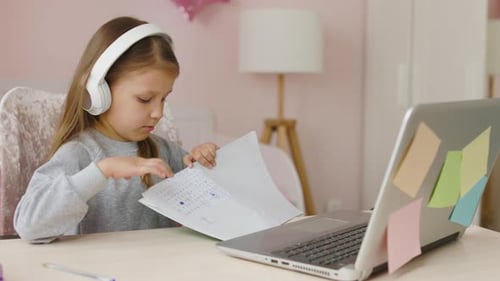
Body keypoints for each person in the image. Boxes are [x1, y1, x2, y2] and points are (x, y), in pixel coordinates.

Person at [13, 16, 218, 242]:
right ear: (99, 91)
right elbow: (28, 227)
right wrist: (102, 171)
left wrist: (208, 164)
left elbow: (215, 210)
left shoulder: (166, 152)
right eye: (145, 98)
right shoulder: (79, 154)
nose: (158, 112)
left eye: (163, 99)